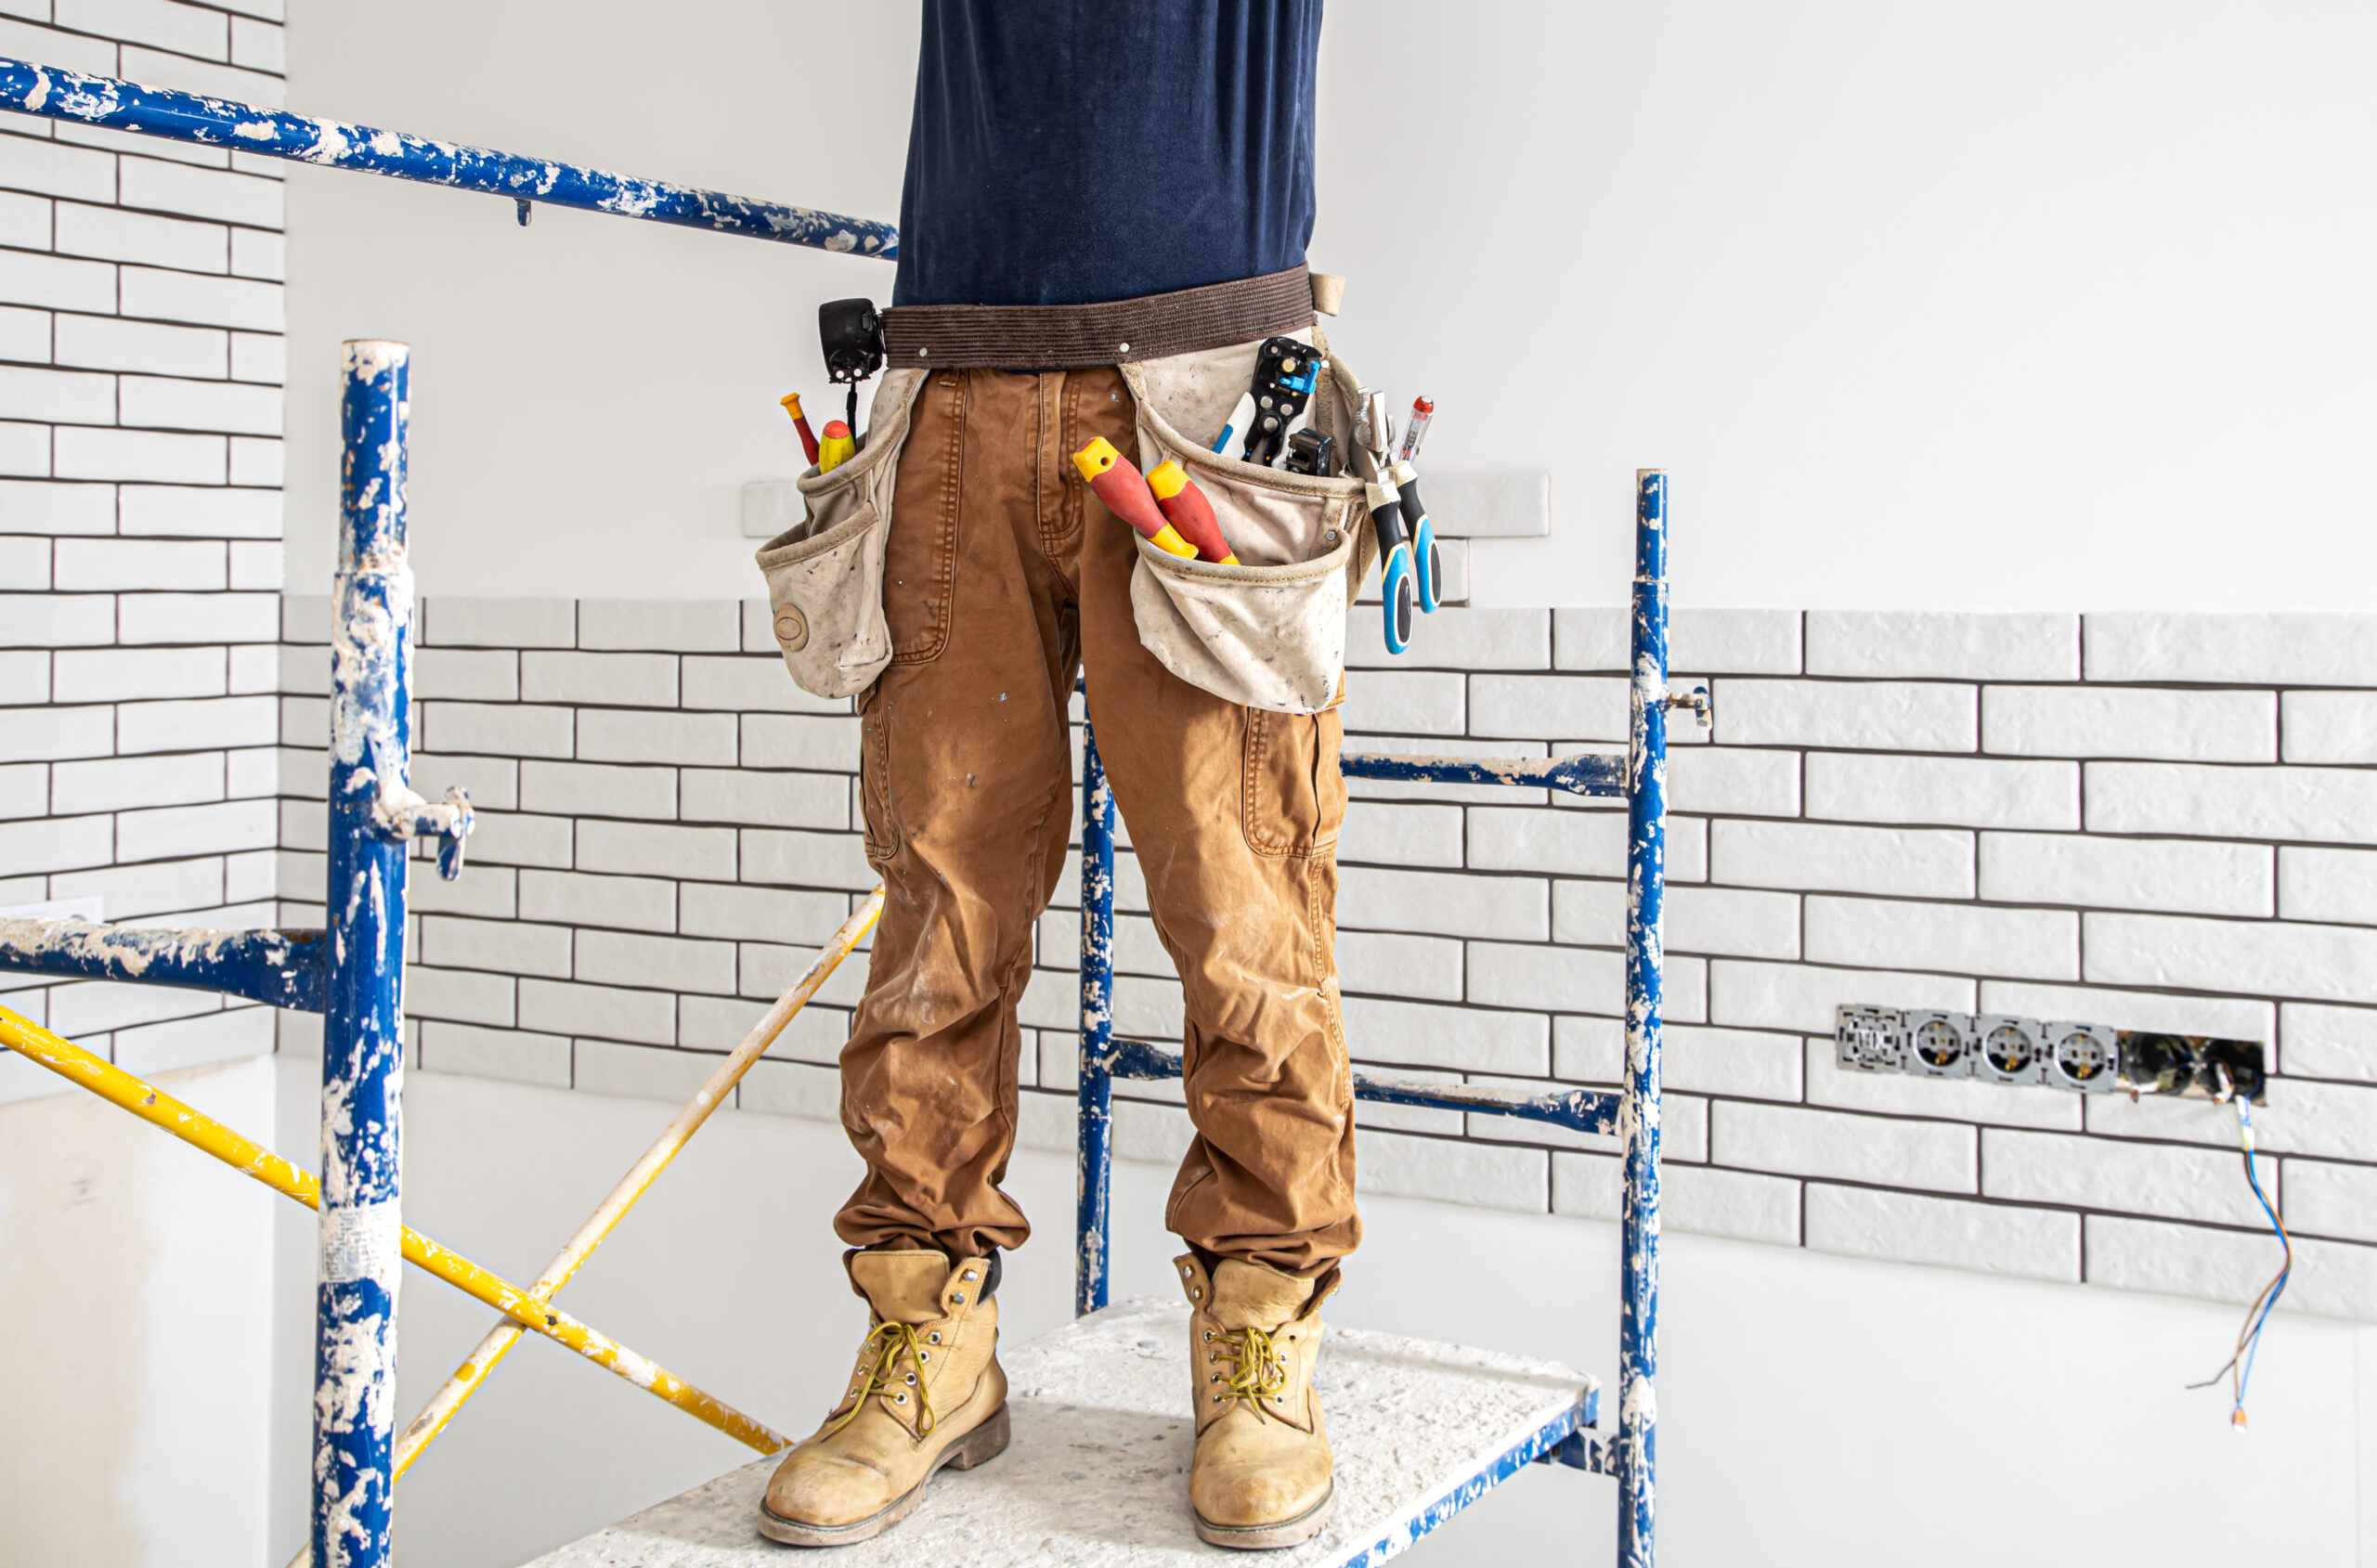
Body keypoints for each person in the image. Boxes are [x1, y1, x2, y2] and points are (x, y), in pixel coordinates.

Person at [758, 1, 1354, 1551]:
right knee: (939, 904)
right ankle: (927, 1339)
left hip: (1206, 391)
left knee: (1241, 901)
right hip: (952, 389)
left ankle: (1260, 1331)